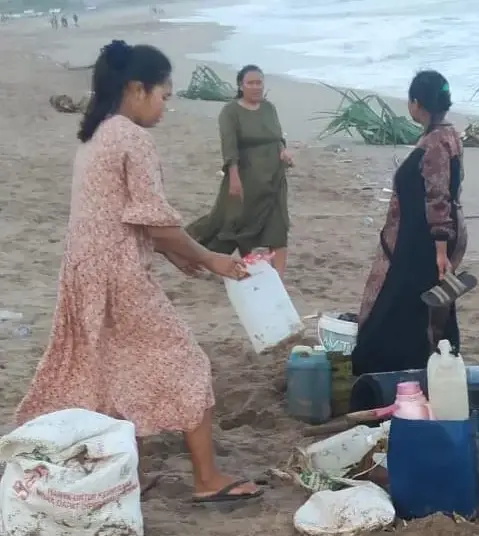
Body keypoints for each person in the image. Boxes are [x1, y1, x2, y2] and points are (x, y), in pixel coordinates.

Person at [15, 40, 264, 504]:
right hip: (117, 275)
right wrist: (211, 259)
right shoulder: (132, 137)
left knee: (103, 370)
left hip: (84, 271)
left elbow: (132, 216)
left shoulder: (97, 134)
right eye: (163, 95)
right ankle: (208, 480)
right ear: (137, 88)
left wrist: (177, 254)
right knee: (187, 363)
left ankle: (116, 472)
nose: (165, 106)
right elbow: (155, 222)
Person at [350, 70, 468, 376]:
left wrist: (440, 249)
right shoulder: (447, 135)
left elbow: (438, 195)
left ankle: (392, 372)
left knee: (398, 308)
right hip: (420, 238)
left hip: (423, 242)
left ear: (417, 103)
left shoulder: (435, 144)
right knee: (421, 306)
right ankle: (425, 367)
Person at [187, 65, 292, 277]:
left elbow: (277, 137)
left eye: (259, 82)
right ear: (240, 85)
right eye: (250, 83)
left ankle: (278, 277)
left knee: (278, 224)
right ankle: (194, 254)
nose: (256, 87)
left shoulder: (269, 108)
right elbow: (229, 146)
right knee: (232, 224)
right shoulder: (231, 112)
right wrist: (234, 177)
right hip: (246, 176)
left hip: (274, 176)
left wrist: (283, 153)